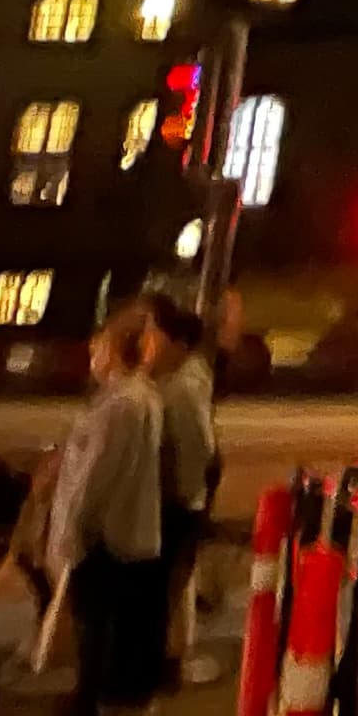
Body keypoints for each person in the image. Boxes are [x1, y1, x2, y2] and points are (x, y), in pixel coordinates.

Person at [39, 310, 163, 716]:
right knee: (107, 620)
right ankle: (98, 696)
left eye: (98, 346)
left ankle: (85, 707)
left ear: (114, 351)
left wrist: (73, 528)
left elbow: (94, 475)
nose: (92, 354)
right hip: (122, 528)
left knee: (93, 623)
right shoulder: (138, 397)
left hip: (103, 533)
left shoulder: (121, 405)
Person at [141, 293, 216, 684]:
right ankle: (160, 665)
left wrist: (183, 499)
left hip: (173, 504)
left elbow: (198, 448)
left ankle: (159, 668)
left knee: (162, 593)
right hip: (178, 501)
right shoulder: (181, 383)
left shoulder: (179, 389)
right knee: (165, 592)